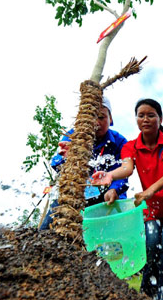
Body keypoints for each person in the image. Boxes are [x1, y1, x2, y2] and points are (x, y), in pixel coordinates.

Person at [91, 99, 163, 300]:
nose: (145, 119)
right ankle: (147, 295)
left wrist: (149, 191)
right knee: (152, 243)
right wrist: (109, 175)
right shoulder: (131, 146)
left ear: (160, 118)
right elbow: (126, 168)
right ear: (136, 119)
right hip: (151, 207)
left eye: (151, 115)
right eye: (141, 115)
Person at [40, 97, 128, 230]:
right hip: (77, 195)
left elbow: (123, 172)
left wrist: (113, 189)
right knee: (48, 226)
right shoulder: (73, 136)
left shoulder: (119, 142)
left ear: (111, 119)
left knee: (113, 232)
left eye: (101, 117)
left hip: (108, 198)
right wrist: (68, 158)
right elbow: (57, 164)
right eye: (92, 117)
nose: (96, 123)